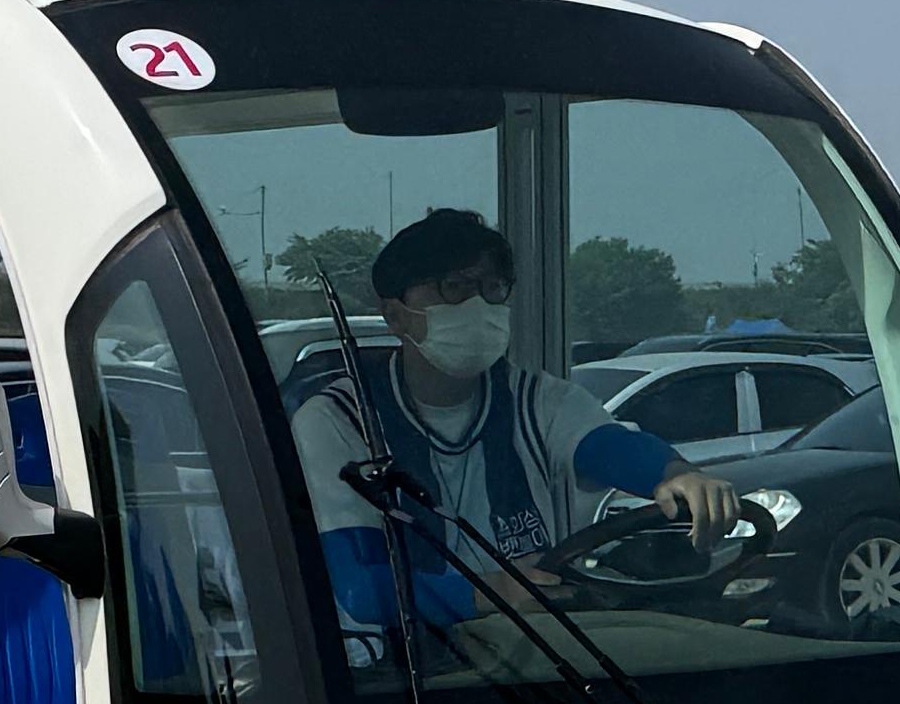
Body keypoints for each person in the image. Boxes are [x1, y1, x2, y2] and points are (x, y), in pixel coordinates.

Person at [284, 209, 737, 643]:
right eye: (454, 287)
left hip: (537, 661)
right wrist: (489, 593)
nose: (478, 305)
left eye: (493, 288)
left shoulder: (536, 400)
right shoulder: (338, 420)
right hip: (401, 673)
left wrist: (675, 474)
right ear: (395, 314)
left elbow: (608, 446)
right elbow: (360, 587)